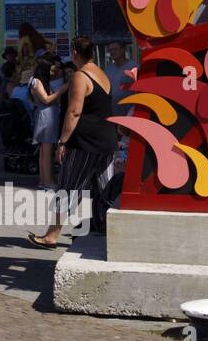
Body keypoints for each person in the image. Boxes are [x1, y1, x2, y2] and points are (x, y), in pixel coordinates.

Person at [29, 36, 118, 249]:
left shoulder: (80, 76)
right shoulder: (101, 73)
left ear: (74, 52)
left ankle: (51, 236)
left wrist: (63, 141)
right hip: (106, 141)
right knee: (105, 189)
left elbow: (74, 111)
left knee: (68, 187)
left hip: (85, 142)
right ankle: (104, 228)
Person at [29, 58, 67, 187]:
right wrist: (62, 90)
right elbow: (46, 99)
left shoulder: (41, 81)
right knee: (46, 150)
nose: (53, 73)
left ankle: (43, 180)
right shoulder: (37, 81)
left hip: (47, 116)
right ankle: (47, 182)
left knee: (44, 151)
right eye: (51, 70)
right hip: (47, 117)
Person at [103, 41, 135, 112]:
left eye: (115, 49)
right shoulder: (108, 70)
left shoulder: (133, 67)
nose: (112, 52)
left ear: (123, 49)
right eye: (110, 50)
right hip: (113, 112)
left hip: (130, 113)